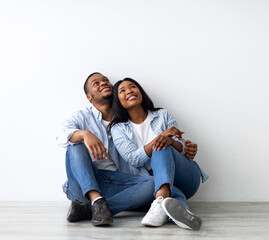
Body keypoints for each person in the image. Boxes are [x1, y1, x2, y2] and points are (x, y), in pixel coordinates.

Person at [56, 72, 200, 227]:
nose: (103, 83)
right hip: (91, 180)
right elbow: (61, 136)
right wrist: (85, 134)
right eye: (96, 83)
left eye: (105, 81)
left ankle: (94, 210)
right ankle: (96, 201)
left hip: (124, 182)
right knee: (74, 145)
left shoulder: (141, 119)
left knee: (156, 179)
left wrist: (182, 146)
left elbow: (180, 144)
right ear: (89, 97)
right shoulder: (85, 118)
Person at [109, 78, 209, 231]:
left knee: (160, 146)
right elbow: (133, 159)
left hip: (186, 176)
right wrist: (162, 137)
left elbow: (181, 147)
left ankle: (159, 201)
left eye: (133, 87)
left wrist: (169, 141)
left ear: (140, 92)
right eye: (122, 90)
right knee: (160, 144)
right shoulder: (118, 128)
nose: (129, 91)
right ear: (118, 101)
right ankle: (181, 214)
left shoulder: (163, 114)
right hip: (152, 180)